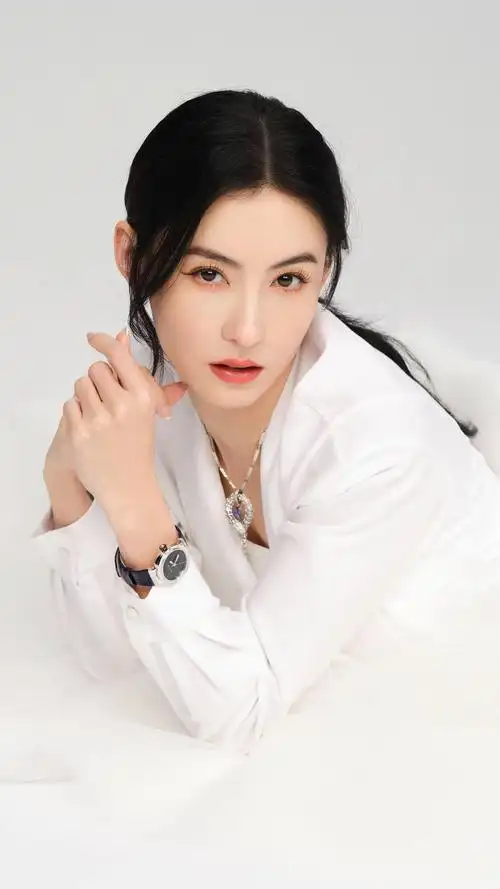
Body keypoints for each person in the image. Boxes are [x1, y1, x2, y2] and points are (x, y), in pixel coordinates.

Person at [31, 89, 500, 754]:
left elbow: (237, 714)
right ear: (131, 255)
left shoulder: (376, 444)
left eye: (287, 281)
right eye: (209, 274)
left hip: (444, 723)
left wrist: (134, 507)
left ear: (324, 272)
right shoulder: (157, 375)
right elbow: (114, 662)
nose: (247, 330)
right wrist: (67, 482)